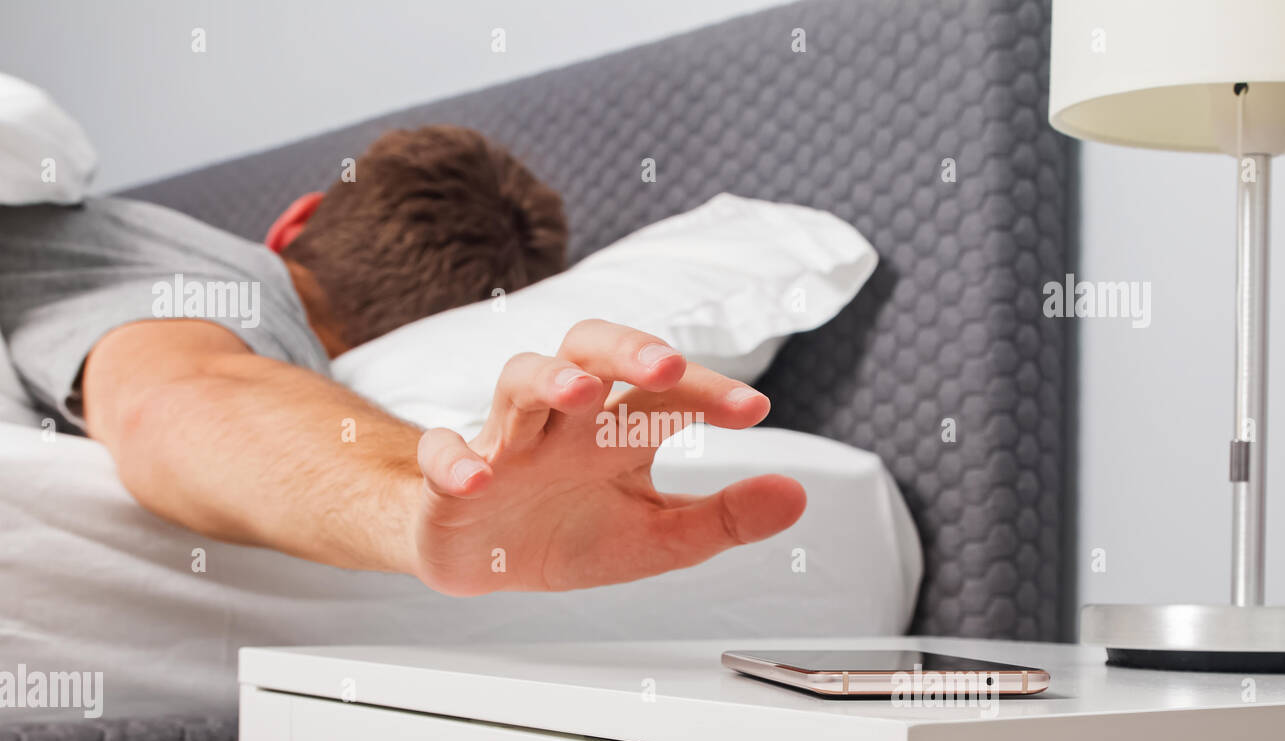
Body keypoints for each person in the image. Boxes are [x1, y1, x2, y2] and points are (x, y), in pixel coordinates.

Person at [0, 125, 805, 596]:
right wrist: (416, 506)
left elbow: (189, 393)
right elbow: (186, 392)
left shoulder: (142, 243)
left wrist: (446, 501)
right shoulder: (233, 291)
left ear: (297, 219)